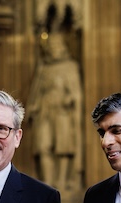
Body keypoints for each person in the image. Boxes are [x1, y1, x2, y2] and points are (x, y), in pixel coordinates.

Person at [28, 34, 83, 193]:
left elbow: (76, 93)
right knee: (43, 146)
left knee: (63, 147)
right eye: (50, 45)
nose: (52, 48)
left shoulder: (70, 66)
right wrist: (34, 105)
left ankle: (61, 181)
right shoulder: (43, 67)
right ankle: (47, 182)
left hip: (62, 113)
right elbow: (37, 91)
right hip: (44, 112)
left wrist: (69, 98)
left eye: (55, 45)